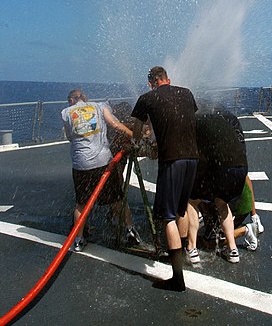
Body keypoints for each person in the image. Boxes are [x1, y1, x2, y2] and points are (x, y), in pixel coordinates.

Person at [131, 66, 199, 292]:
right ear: (168, 79)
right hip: (192, 158)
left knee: (168, 217)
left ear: (151, 83)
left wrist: (136, 143)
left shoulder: (146, 98)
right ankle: (180, 254)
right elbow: (183, 119)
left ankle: (177, 279)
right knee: (180, 210)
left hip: (172, 160)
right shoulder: (187, 93)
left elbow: (138, 128)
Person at [62, 89, 141, 252]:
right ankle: (130, 230)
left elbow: (70, 137)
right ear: (86, 98)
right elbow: (115, 124)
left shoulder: (66, 112)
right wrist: (134, 135)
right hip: (103, 162)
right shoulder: (99, 106)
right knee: (117, 199)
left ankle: (78, 239)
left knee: (81, 204)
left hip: (81, 164)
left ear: (70, 101)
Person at [186, 109, 257, 264]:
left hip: (221, 169)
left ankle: (191, 249)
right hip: (240, 168)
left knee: (192, 200)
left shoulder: (193, 122)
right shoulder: (219, 120)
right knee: (221, 202)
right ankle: (233, 250)